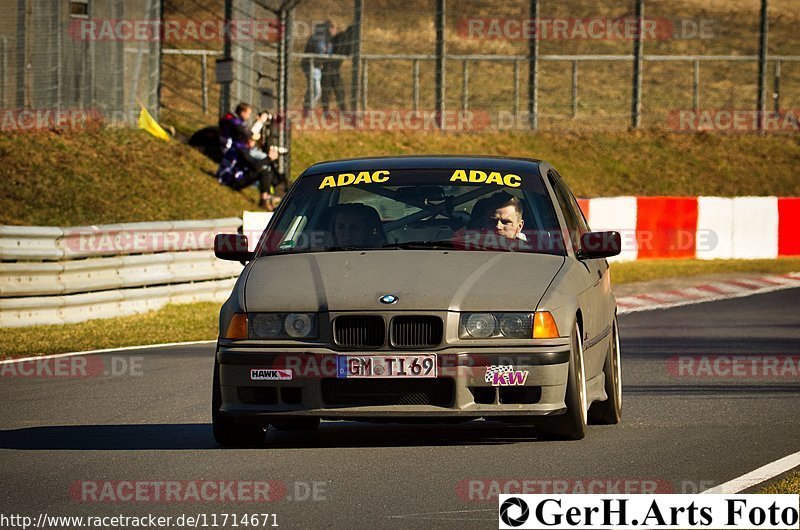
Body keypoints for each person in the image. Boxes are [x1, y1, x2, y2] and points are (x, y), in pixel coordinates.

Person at [217, 134, 285, 211]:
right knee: (263, 171)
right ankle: (264, 199)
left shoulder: (246, 149)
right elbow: (254, 165)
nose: (253, 142)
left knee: (266, 171)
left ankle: (268, 198)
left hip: (238, 177)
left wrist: (271, 160)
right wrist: (269, 158)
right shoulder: (241, 150)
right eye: (252, 140)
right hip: (231, 180)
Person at [321, 22, 353, 114]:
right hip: (328, 67)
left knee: (339, 91)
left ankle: (344, 112)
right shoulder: (342, 36)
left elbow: (347, 52)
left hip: (335, 69)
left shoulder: (348, 40)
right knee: (327, 92)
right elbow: (339, 49)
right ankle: (326, 113)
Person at [301, 23, 329, 114]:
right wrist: (326, 51)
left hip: (314, 67)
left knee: (311, 89)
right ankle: (309, 110)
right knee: (316, 91)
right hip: (312, 66)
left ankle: (306, 110)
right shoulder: (318, 39)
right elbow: (320, 52)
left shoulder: (320, 39)